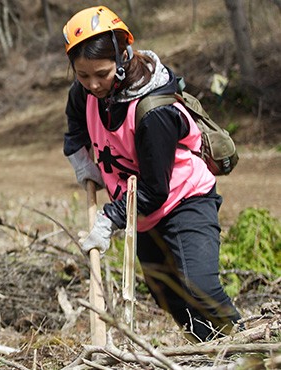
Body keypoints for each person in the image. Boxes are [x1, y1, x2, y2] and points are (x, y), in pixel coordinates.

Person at [62, 6, 241, 342]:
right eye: (83, 75)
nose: (93, 84)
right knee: (166, 293)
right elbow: (76, 123)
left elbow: (156, 189)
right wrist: (79, 157)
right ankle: (211, 348)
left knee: (198, 285)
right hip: (141, 213)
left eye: (101, 73)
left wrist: (110, 218)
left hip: (183, 199)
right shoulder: (84, 91)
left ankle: (247, 344)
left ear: (122, 55)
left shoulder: (152, 112)